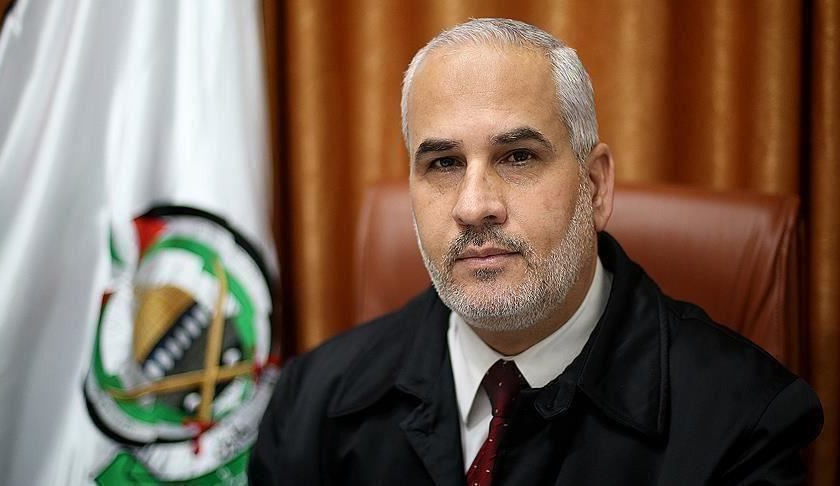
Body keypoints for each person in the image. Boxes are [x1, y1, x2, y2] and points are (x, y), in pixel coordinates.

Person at [248, 18, 822, 485]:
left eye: (518, 156)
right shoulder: (310, 405)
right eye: (443, 163)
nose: (474, 206)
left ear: (594, 187)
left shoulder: (745, 423)